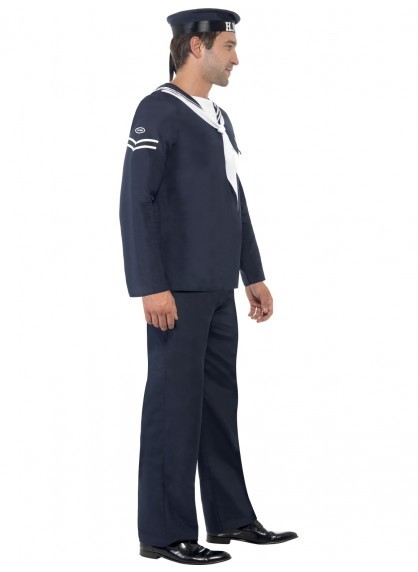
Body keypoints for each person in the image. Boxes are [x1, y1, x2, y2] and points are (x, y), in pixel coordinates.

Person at [119, 7, 298, 566]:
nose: (236, 59)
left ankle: (230, 518)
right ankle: (164, 532)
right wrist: (150, 285)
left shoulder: (219, 118)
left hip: (219, 287)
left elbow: (232, 199)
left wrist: (253, 274)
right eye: (229, 47)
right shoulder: (157, 110)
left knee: (219, 404)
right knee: (173, 406)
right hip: (176, 290)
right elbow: (136, 200)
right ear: (196, 47)